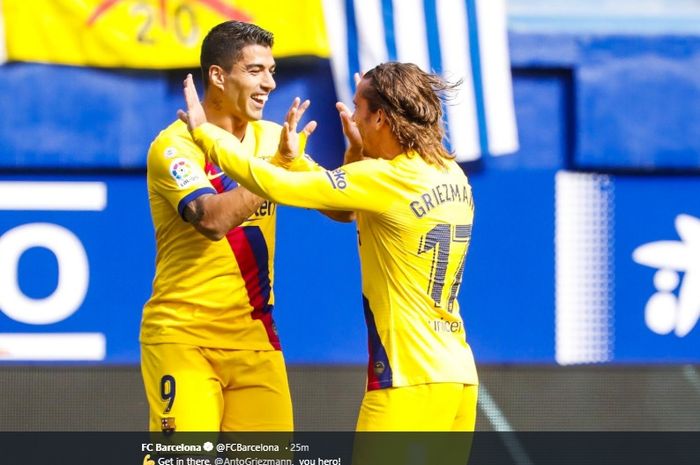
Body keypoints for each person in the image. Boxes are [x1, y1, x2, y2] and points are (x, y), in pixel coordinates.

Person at [178, 61, 479, 432]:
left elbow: (276, 185)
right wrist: (310, 158)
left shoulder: (384, 179)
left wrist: (206, 135)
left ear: (381, 118)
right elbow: (343, 192)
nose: (352, 117)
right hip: (459, 378)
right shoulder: (451, 173)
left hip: (407, 380)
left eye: (358, 108)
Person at [140, 20, 318, 432]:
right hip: (184, 337)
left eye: (272, 71)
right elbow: (213, 219)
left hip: (256, 340)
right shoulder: (175, 146)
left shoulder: (276, 139)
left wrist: (360, 155)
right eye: (255, 71)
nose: (269, 83)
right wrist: (280, 167)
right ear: (218, 76)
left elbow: (340, 210)